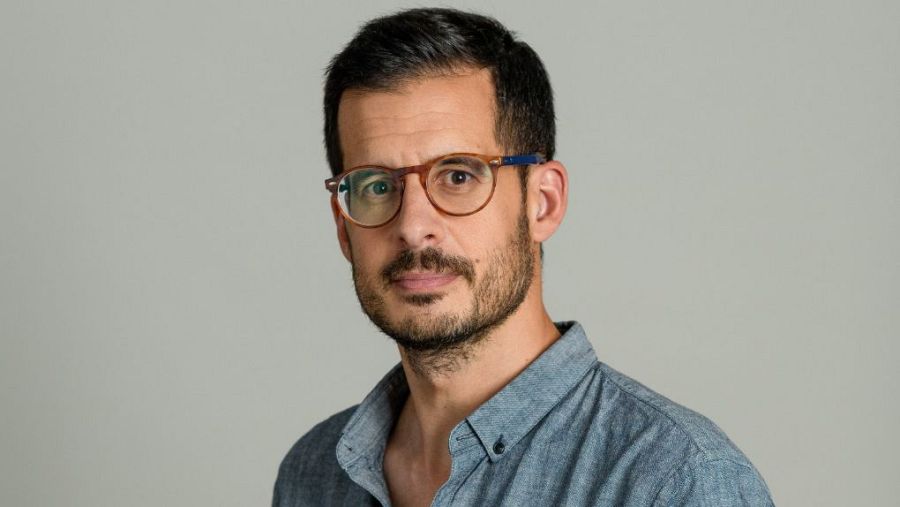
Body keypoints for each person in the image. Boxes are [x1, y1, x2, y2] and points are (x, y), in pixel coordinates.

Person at [273, 8, 773, 506]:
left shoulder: (676, 481)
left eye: (459, 176)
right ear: (343, 226)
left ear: (543, 202)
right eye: (377, 185)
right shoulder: (313, 474)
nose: (412, 226)